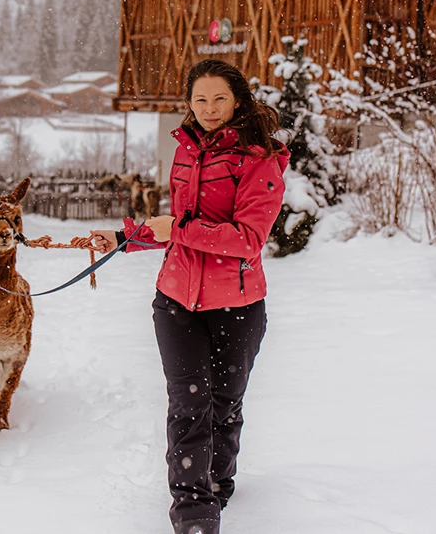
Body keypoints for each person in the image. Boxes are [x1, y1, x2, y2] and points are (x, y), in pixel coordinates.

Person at [91, 59, 288, 534]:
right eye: (200, 99)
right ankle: (194, 515)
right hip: (176, 301)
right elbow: (178, 232)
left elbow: (247, 240)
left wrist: (176, 227)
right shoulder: (187, 150)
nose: (209, 108)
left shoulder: (259, 158)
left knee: (224, 404)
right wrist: (128, 238)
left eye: (219, 98)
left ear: (237, 99)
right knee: (189, 405)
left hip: (236, 308)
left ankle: (218, 481)